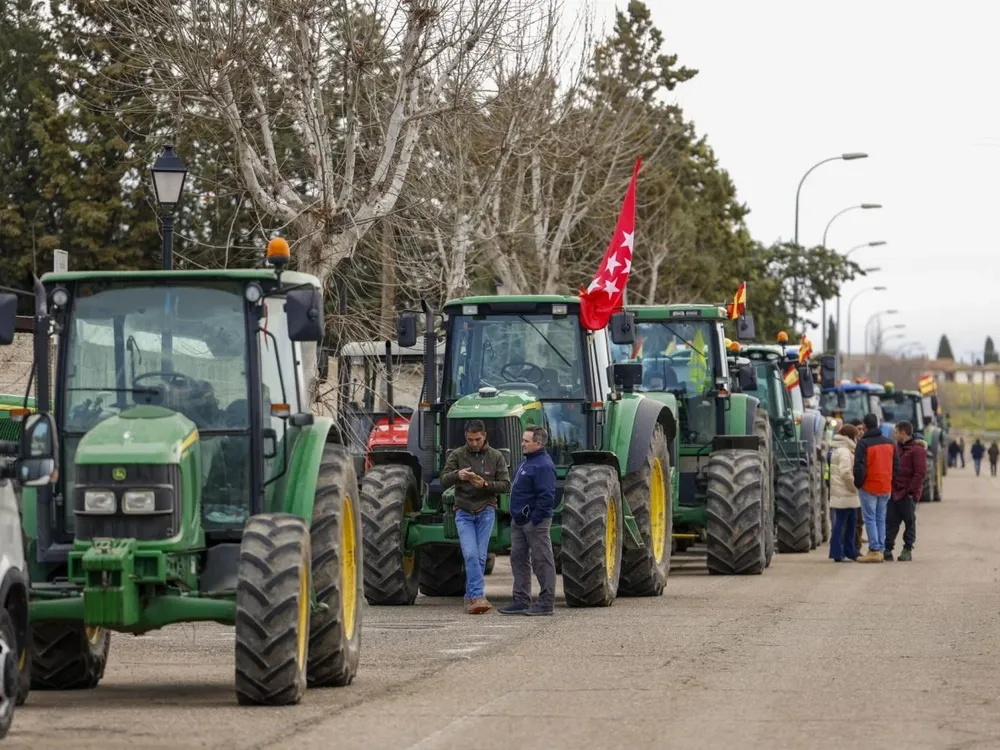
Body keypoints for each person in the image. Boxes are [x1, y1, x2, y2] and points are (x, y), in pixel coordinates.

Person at [440, 419, 511, 614]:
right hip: (463, 511)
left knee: (480, 557)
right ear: (466, 437)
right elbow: (444, 479)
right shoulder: (457, 455)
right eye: (470, 439)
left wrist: (486, 485)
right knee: (470, 554)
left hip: (486, 510)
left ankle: (471, 597)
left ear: (484, 436)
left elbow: (506, 484)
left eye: (477, 439)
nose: (474, 443)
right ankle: (477, 597)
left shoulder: (496, 457)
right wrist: (458, 475)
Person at [499, 426, 557, 617]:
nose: (522, 443)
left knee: (542, 560)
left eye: (526, 441)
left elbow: (546, 496)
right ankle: (521, 600)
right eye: (523, 440)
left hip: (535, 522)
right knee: (518, 558)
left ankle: (546, 603)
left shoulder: (543, 465)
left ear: (538, 443)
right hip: (519, 521)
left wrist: (534, 520)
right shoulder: (526, 463)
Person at [853, 413, 898, 563]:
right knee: (881, 518)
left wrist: (859, 483)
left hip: (869, 486)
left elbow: (859, 467)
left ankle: (874, 549)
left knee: (870, 518)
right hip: (885, 486)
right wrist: (890, 481)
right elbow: (896, 466)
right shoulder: (889, 443)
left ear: (865, 426)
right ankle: (881, 548)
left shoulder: (863, 444)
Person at [885, 421, 925, 562]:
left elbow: (919, 473)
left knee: (909, 521)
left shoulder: (917, 450)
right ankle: (887, 548)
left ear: (903, 433)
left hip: (907, 493)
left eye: (896, 432)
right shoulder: (897, 448)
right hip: (894, 491)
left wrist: (911, 492)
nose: (894, 435)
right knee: (891, 521)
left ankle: (907, 549)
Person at [828, 423, 861, 562]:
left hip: (841, 494)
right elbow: (846, 472)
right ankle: (841, 552)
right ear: (851, 436)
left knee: (845, 524)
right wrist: (854, 487)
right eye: (856, 436)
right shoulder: (845, 452)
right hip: (846, 494)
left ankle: (847, 551)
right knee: (845, 524)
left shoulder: (840, 449)